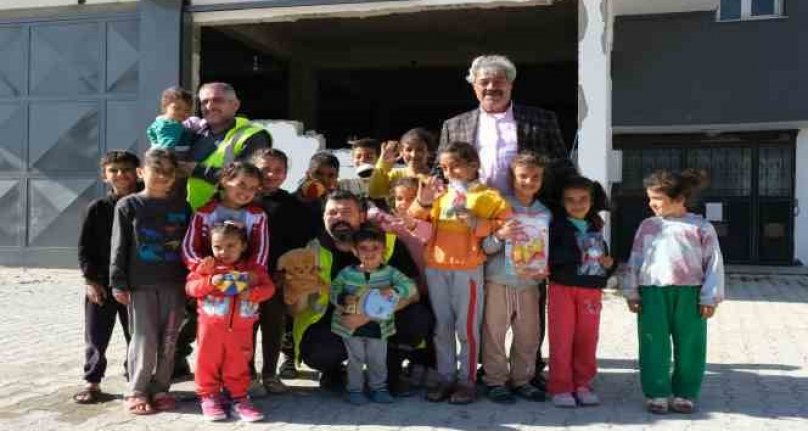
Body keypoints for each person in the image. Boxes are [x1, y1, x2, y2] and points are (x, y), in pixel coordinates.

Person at [439, 55, 569, 385]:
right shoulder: (455, 126)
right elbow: (439, 175)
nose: (491, 87)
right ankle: (490, 367)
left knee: (528, 292)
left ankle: (530, 368)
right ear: (474, 85)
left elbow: (562, 168)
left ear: (511, 84)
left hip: (525, 219)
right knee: (484, 298)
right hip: (470, 225)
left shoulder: (541, 119)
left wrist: (589, 206)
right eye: (484, 82)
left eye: (499, 81)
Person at [291, 191, 433, 396]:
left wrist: (368, 314)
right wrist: (298, 294)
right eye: (332, 213)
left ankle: (391, 369)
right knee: (319, 351)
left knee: (417, 319)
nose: (339, 218)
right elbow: (296, 308)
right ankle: (333, 371)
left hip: (384, 320)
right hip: (336, 325)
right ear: (323, 217)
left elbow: (413, 292)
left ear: (362, 216)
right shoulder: (310, 250)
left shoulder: (387, 243)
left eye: (346, 212)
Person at [411, 141, 512, 404]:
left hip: (467, 269)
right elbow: (416, 226)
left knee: (466, 328)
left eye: (454, 165)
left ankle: (467, 381)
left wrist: (477, 222)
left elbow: (506, 224)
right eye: (444, 167)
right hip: (436, 267)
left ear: (474, 165)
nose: (448, 172)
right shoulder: (439, 195)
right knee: (441, 327)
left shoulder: (489, 197)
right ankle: (446, 377)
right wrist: (421, 201)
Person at [622, 169, 725, 415]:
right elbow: (635, 259)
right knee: (652, 342)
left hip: (690, 294)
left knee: (691, 344)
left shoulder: (701, 228)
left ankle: (685, 393)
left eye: (657, 200)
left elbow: (713, 263)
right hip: (652, 293)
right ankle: (657, 393)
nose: (651, 204)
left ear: (679, 199)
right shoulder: (648, 226)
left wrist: (709, 297)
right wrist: (632, 291)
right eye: (650, 199)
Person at [110, 149, 191, 415]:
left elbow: (190, 247)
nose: (163, 177)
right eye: (157, 170)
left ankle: (161, 388)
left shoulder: (183, 206)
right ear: (142, 173)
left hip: (175, 284)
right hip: (140, 286)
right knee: (144, 340)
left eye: (169, 172)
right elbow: (118, 246)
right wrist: (117, 282)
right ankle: (136, 389)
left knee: (169, 340)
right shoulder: (129, 205)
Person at [178, 161, 268, 378]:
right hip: (209, 281)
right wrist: (200, 267)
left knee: (241, 328)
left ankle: (239, 376)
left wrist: (254, 274)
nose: (246, 192)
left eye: (253, 188)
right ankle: (202, 376)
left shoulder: (257, 216)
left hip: (242, 280)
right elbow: (189, 246)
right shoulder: (204, 213)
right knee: (204, 326)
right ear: (225, 181)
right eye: (242, 184)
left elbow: (261, 248)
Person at [186, 222, 275, 422]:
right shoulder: (208, 268)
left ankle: (239, 398)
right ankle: (209, 396)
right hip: (211, 330)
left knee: (238, 363)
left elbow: (269, 289)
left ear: (243, 246)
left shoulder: (254, 270)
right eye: (217, 246)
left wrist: (252, 293)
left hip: (241, 330)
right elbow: (190, 288)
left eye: (230, 246)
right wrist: (209, 281)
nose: (223, 251)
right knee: (207, 362)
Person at [480, 152, 550, 404]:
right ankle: (495, 380)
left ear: (542, 179)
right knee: (494, 333)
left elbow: (545, 249)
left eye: (535, 177)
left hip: (529, 283)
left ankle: (523, 379)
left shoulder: (545, 212)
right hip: (498, 279)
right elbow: (485, 247)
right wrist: (500, 235)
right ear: (512, 177)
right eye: (523, 176)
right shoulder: (499, 206)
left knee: (528, 334)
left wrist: (544, 267)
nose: (529, 181)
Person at [73, 150, 140, 405]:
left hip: (136, 285)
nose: (120, 175)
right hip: (102, 285)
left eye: (126, 169)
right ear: (104, 176)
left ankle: (136, 380)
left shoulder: (146, 204)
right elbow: (84, 248)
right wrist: (91, 281)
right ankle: (92, 382)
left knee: (137, 336)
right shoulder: (98, 208)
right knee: (96, 336)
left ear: (138, 172)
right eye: (114, 170)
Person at [250, 149, 318, 391]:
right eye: (264, 168)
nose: (270, 174)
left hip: (277, 278)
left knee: (274, 326)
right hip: (245, 277)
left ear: (286, 174)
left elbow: (300, 244)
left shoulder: (292, 205)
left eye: (278, 170)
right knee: (246, 327)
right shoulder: (241, 200)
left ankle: (269, 373)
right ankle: (247, 374)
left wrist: (287, 274)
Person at [547, 175, 614, 408]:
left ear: (591, 200)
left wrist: (608, 264)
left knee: (587, 338)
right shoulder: (555, 225)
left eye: (583, 199)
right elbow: (549, 256)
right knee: (562, 338)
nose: (577, 204)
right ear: (563, 202)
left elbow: (604, 258)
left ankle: (583, 384)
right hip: (562, 288)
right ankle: (561, 386)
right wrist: (577, 255)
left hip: (591, 291)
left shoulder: (595, 225)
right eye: (571, 200)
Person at [330, 226, 417, 405]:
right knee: (355, 360)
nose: (369, 253)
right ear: (354, 250)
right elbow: (333, 291)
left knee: (377, 359)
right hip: (351, 328)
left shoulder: (390, 273)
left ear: (383, 250)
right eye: (363, 248)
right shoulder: (347, 274)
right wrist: (343, 299)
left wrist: (394, 290)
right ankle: (354, 390)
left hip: (378, 327)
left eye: (375, 248)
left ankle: (379, 388)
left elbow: (411, 287)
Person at [185, 82, 272, 211]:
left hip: (233, 219)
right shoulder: (193, 132)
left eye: (218, 100)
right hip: (192, 216)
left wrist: (196, 170)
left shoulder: (252, 136)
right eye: (204, 102)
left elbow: (248, 180)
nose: (210, 106)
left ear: (235, 105)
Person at [367, 128, 434, 200]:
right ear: (401, 152)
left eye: (420, 150)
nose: (413, 155)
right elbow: (374, 193)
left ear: (429, 152)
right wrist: (382, 165)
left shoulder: (436, 177)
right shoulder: (394, 175)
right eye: (408, 149)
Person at [146, 86, 195, 159]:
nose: (182, 112)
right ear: (165, 107)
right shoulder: (171, 126)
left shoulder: (161, 122)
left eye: (187, 110)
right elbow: (166, 151)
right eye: (177, 108)